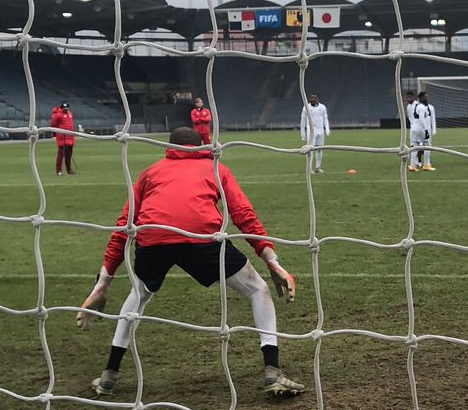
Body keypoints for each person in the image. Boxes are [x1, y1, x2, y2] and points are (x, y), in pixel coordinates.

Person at [78, 127, 304, 396]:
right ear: (202, 146)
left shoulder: (150, 173)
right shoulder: (215, 168)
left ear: (169, 148)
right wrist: (271, 260)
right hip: (201, 239)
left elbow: (123, 227)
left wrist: (102, 283)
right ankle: (273, 372)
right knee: (258, 289)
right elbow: (243, 213)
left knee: (138, 295)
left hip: (153, 240)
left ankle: (109, 376)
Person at [300, 93, 330, 174]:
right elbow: (303, 120)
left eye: (315, 98)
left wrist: (327, 129)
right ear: (310, 99)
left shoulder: (322, 107)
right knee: (310, 149)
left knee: (319, 149)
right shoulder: (306, 107)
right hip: (311, 130)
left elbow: (325, 118)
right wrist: (302, 133)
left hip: (320, 130)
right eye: (312, 98)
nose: (313, 99)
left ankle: (318, 167)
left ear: (317, 98)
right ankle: (309, 168)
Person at [409, 91, 437, 171]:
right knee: (427, 146)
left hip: (414, 129)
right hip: (420, 129)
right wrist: (426, 130)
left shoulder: (416, 106)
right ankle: (426, 165)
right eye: (425, 97)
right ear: (421, 98)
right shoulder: (422, 107)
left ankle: (412, 165)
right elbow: (422, 119)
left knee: (415, 147)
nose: (427, 98)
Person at [50, 102, 76, 176]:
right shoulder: (57, 115)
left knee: (69, 154)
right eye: (64, 107)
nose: (66, 109)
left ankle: (69, 169)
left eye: (67, 107)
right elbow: (53, 124)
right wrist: (55, 134)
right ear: (61, 108)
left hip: (70, 137)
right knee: (61, 154)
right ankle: (59, 170)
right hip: (62, 137)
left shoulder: (70, 114)